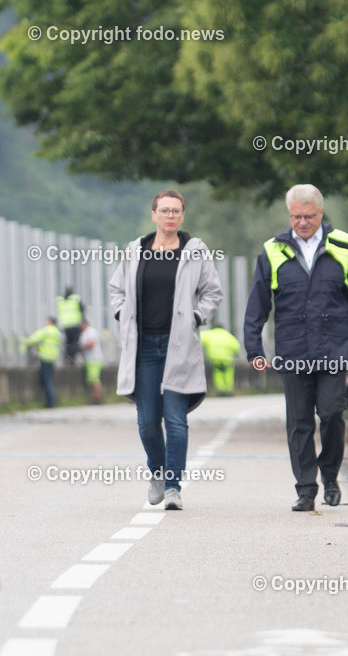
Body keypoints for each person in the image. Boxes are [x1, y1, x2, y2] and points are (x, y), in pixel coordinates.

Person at [244, 184, 348, 511]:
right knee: (298, 422)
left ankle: (330, 476)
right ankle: (305, 489)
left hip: (333, 350)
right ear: (289, 215)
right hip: (293, 351)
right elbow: (257, 305)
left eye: (309, 216)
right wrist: (254, 349)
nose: (302, 222)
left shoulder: (344, 246)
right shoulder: (272, 251)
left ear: (320, 213)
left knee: (331, 414)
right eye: (296, 217)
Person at [109, 189, 223, 511]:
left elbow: (212, 292)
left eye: (176, 211)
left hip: (179, 346)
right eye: (164, 210)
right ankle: (157, 471)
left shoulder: (194, 251)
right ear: (154, 215)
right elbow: (116, 289)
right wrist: (122, 313)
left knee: (175, 420)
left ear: (182, 216)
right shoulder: (137, 250)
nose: (170, 215)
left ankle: (173, 486)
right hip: (143, 346)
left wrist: (197, 317)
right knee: (147, 420)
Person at [24, 316, 62, 408]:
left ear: (49, 322)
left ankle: (51, 401)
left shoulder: (47, 330)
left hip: (45, 357)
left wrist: (27, 343)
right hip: (53, 358)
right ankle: (51, 400)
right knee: (49, 379)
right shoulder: (57, 333)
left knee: (46, 380)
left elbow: (32, 339)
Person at [200, 324, 242, 396]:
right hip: (227, 358)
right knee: (228, 373)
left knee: (217, 373)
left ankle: (220, 390)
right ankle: (228, 389)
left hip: (214, 358)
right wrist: (237, 354)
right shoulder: (228, 335)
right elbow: (236, 346)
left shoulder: (210, 334)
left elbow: (200, 337)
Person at [57, 286, 85, 364]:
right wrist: (83, 320)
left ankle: (68, 356)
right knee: (75, 342)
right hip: (75, 324)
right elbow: (82, 309)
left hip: (65, 325)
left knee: (68, 342)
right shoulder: (75, 298)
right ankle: (73, 356)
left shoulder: (60, 300)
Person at [79, 319, 104, 404]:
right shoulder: (83, 333)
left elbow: (92, 343)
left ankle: (97, 398)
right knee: (91, 380)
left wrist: (83, 346)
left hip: (95, 359)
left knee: (95, 379)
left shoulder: (91, 331)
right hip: (89, 360)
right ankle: (94, 397)